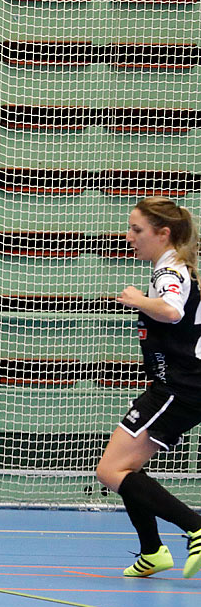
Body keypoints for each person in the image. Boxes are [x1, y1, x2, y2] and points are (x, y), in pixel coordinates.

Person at [98, 197, 201, 578]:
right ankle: (152, 550)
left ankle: (195, 526)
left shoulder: (168, 272)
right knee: (128, 468)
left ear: (164, 234)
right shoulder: (174, 267)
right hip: (179, 384)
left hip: (178, 385)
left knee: (110, 470)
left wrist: (139, 300)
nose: (129, 237)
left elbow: (172, 310)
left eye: (137, 230)